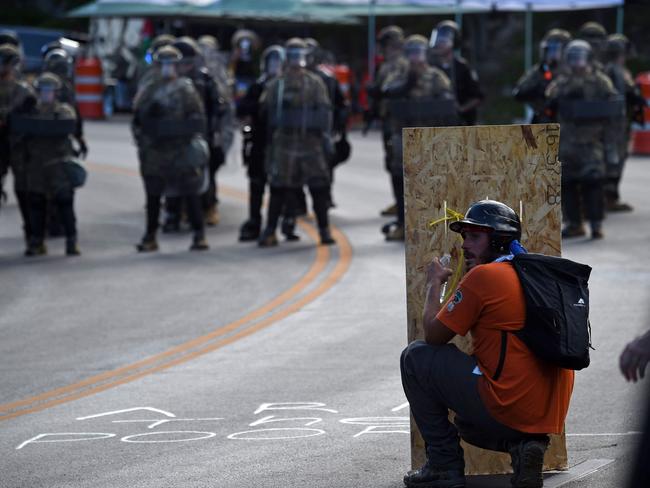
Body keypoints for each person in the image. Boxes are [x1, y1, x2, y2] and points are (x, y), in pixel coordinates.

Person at [400, 200, 574, 488]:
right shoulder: (537, 274)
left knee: (416, 357)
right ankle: (523, 447)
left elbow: (433, 335)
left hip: (509, 405)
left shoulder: (485, 277)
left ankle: (444, 466)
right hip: (548, 415)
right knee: (467, 425)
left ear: (499, 240)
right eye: (464, 236)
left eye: (475, 237)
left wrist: (434, 285)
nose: (466, 245)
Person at [257, 38, 334, 247]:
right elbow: (265, 110)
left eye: (298, 56)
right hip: (285, 142)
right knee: (278, 188)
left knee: (318, 187)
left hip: (310, 142)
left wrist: (325, 138)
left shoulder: (315, 82)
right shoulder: (277, 84)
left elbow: (325, 111)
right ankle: (271, 230)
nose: (295, 61)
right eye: (291, 56)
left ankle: (324, 230)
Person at [131, 45, 209, 252]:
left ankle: (199, 234)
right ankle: (150, 236)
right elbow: (138, 118)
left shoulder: (186, 88)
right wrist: (149, 114)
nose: (168, 68)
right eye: (163, 63)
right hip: (156, 149)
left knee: (191, 192)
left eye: (171, 64)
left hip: (181, 147)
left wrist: (188, 126)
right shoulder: (149, 88)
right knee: (153, 194)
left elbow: (198, 115)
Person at [380, 34, 455, 242]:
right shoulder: (398, 74)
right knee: (400, 178)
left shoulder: (435, 76)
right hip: (403, 135)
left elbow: (448, 101)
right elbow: (387, 91)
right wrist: (408, 83)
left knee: (434, 180)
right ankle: (403, 224)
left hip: (430, 137)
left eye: (419, 52)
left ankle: (435, 224)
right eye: (411, 52)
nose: (415, 57)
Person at [545, 40, 619, 239]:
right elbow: (549, 100)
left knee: (593, 183)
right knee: (567, 184)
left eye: (580, 57)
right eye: (573, 58)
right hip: (567, 142)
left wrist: (610, 141)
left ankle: (596, 224)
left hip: (591, 141)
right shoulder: (561, 82)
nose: (577, 62)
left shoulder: (600, 81)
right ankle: (574, 223)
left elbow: (613, 105)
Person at [163, 37, 233, 230]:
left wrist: (215, 135)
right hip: (172, 140)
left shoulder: (204, 80)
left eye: (187, 62)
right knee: (172, 177)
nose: (184, 66)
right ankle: (173, 213)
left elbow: (217, 110)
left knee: (203, 177)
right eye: (181, 62)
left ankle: (207, 210)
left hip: (200, 138)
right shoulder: (165, 82)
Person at [19, 73, 81, 256]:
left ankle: (72, 241)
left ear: (56, 92)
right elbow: (18, 130)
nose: (46, 94)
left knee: (64, 202)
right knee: (37, 203)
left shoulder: (63, 111)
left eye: (50, 90)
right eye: (43, 90)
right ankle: (37, 242)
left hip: (58, 164)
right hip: (36, 165)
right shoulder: (31, 111)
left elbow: (69, 125)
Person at [237, 44, 285, 242]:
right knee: (256, 184)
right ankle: (254, 221)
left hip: (283, 144)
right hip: (259, 141)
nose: (273, 66)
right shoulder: (258, 86)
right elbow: (241, 109)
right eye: (270, 62)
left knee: (281, 186)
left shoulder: (288, 87)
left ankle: (278, 224)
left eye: (277, 62)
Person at [366, 25, 409, 218]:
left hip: (396, 121)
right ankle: (399, 202)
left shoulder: (397, 65)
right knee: (393, 165)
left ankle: (403, 205)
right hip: (389, 119)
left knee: (397, 166)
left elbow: (385, 90)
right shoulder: (388, 64)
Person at [603, 34, 645, 212]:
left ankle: (609, 198)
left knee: (615, 159)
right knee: (615, 160)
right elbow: (622, 94)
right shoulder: (615, 70)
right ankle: (609, 199)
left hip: (619, 122)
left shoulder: (614, 69)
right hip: (616, 124)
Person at [0, 43, 37, 242]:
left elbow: (34, 119)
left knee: (24, 190)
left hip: (18, 145)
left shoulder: (24, 92)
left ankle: (32, 235)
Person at [429, 20, 484, 126]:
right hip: (436, 122)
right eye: (438, 39)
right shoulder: (431, 66)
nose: (439, 44)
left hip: (461, 123)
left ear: (453, 41)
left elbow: (477, 97)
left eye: (443, 40)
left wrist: (460, 109)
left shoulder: (462, 67)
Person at [513, 29, 572, 123]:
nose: (551, 54)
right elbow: (519, 92)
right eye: (549, 50)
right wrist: (538, 89)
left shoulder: (572, 71)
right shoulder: (540, 70)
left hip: (568, 123)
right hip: (544, 121)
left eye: (555, 49)